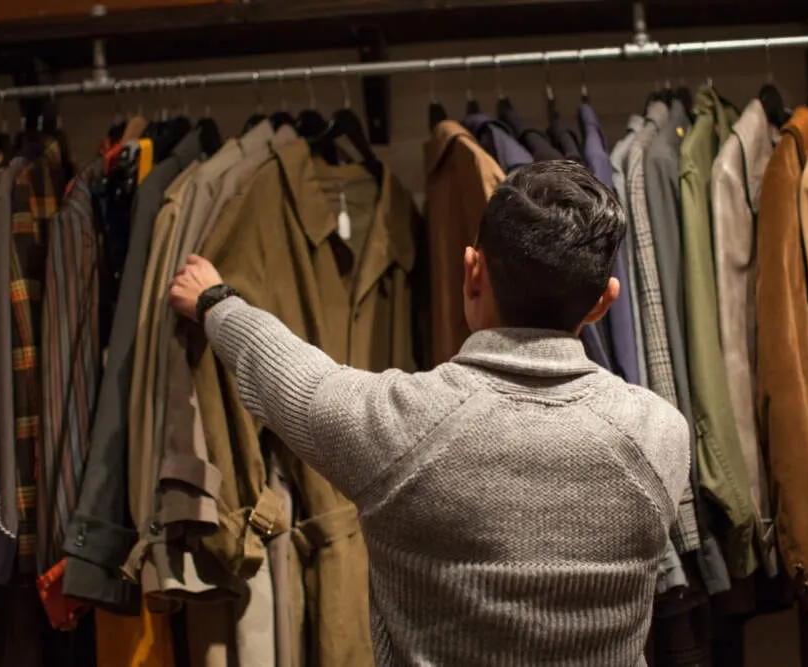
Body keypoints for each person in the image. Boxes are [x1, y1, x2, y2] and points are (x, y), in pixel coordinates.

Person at [170, 160, 689, 666]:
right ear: (604, 301)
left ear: (473, 272)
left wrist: (217, 302)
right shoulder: (660, 435)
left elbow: (291, 375)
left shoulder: (402, 429)